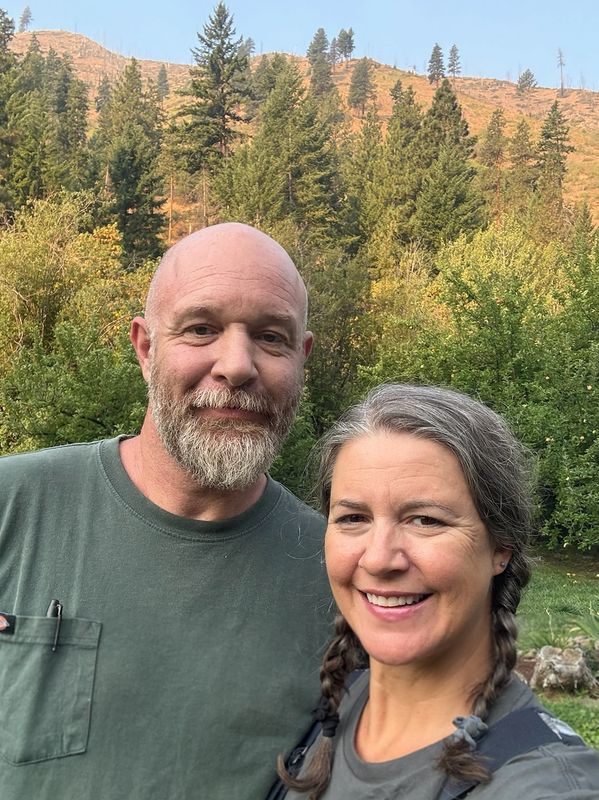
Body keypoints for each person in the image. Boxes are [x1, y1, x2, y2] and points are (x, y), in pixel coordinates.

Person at [0, 223, 331, 800]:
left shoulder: (343, 571)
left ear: (300, 358)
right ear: (146, 348)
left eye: (271, 337)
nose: (237, 365)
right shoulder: (13, 505)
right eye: (201, 329)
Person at [277, 384, 599, 799]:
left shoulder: (543, 782)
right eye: (354, 517)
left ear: (500, 547)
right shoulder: (339, 704)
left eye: (426, 520)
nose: (378, 559)